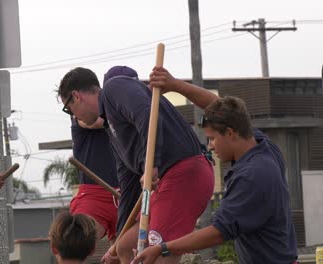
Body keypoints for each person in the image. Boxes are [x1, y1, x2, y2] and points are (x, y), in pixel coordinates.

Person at [130, 67, 298, 264]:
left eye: (212, 139)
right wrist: (175, 85)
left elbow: (218, 232)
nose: (210, 146)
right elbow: (220, 108)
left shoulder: (253, 175)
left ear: (230, 133)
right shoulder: (264, 147)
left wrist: (163, 248)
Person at [58, 67, 214, 264]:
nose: (72, 115)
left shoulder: (115, 88)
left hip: (184, 172)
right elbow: (129, 187)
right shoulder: (113, 132)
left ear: (76, 96)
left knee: (159, 253)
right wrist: (115, 246)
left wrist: (153, 163)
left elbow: (147, 114)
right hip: (166, 183)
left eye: (68, 108)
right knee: (125, 247)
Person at [67, 65, 140, 244]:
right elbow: (98, 121)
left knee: (125, 252)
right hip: (94, 195)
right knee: (76, 242)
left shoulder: (139, 114)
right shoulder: (83, 116)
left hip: (130, 194)